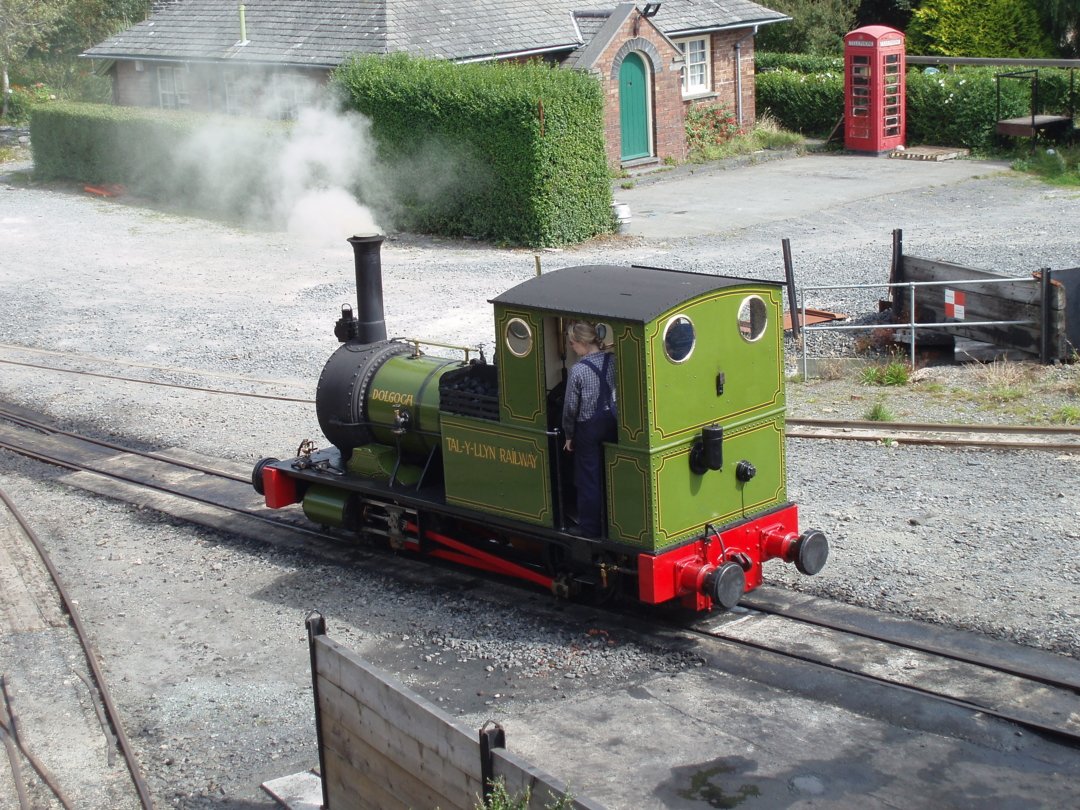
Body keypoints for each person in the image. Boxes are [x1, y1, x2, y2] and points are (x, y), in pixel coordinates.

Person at [562, 321, 617, 538]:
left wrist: (568, 435)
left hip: (588, 428)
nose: (572, 348)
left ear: (583, 343)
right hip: (612, 422)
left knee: (589, 480)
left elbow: (570, 408)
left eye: (573, 344)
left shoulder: (578, 371)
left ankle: (590, 530)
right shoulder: (612, 361)